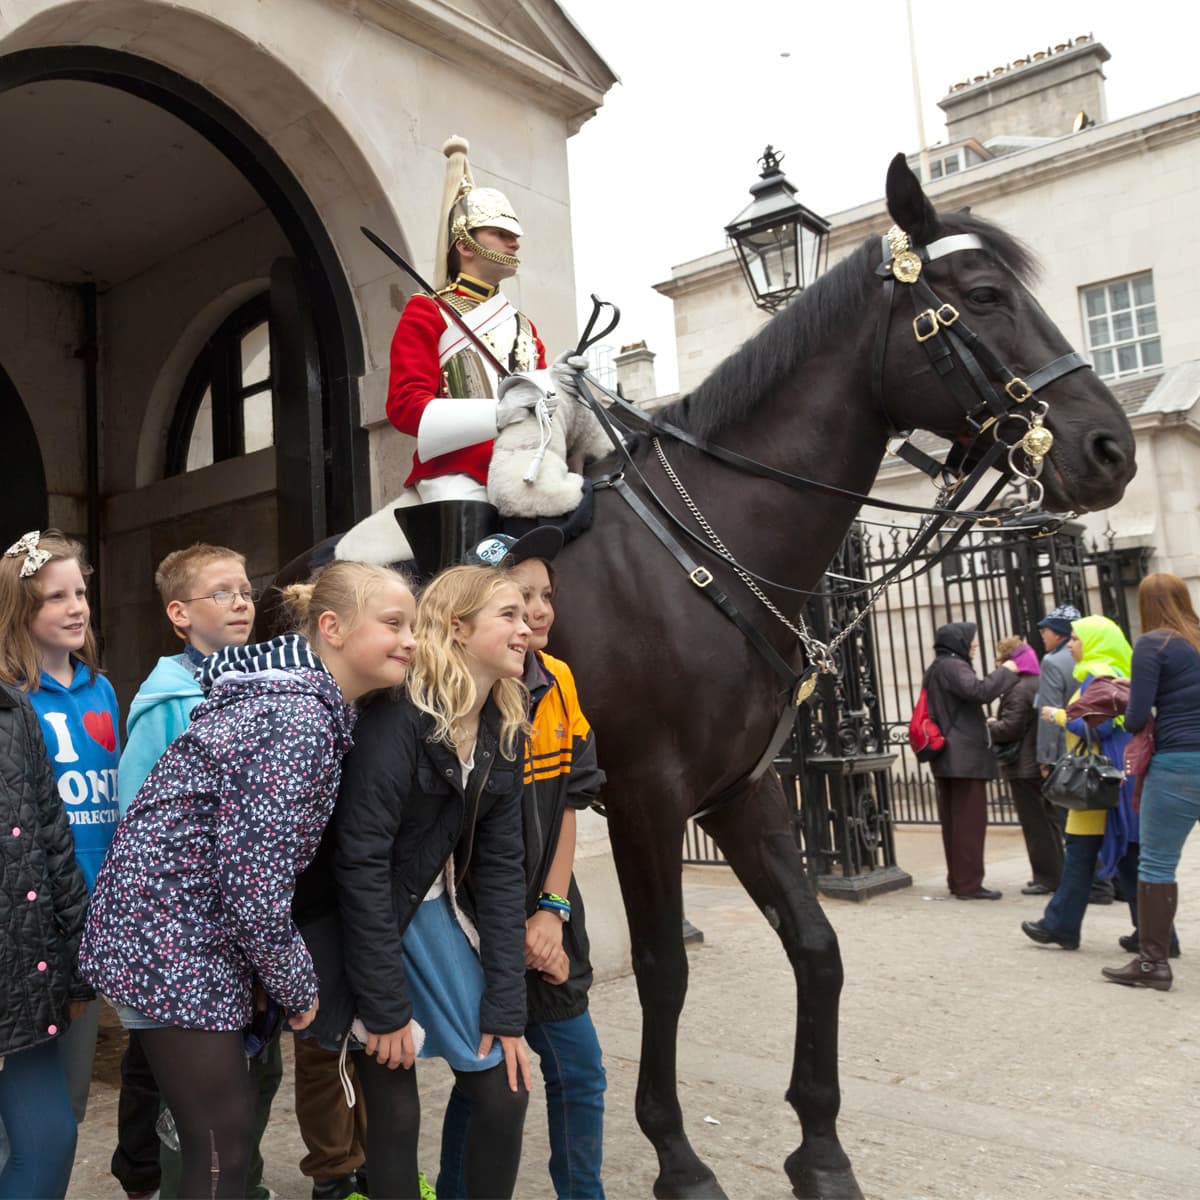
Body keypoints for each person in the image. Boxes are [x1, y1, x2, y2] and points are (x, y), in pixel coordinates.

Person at [78, 561, 416, 1200]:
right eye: (393, 624)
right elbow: (254, 884)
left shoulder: (306, 706)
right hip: (171, 937)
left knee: (222, 1144)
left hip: (182, 932)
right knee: (221, 1150)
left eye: (413, 627)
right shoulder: (296, 719)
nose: (411, 641)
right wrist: (296, 985)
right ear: (332, 628)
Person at [314, 565, 534, 1200]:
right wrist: (383, 1007)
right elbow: (359, 862)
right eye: (509, 615)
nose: (527, 629)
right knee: (394, 1114)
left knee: (504, 1090)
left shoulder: (501, 726)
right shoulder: (399, 715)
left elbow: (502, 871)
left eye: (526, 616)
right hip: (366, 926)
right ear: (458, 629)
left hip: (434, 917)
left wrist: (506, 1008)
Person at [110, 544, 280, 1200]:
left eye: (246, 591)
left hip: (253, 930)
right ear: (179, 614)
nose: (241, 603)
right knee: (201, 1111)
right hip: (195, 943)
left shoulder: (264, 686)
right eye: (222, 593)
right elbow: (145, 831)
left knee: (258, 1078)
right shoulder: (167, 705)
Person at [441, 530, 607, 1199]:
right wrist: (516, 931)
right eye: (517, 599)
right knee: (490, 1081)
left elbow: (570, 799)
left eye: (544, 596)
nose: (536, 612)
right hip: (482, 922)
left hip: (549, 915)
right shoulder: (464, 695)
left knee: (570, 1073)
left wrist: (553, 912)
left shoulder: (558, 679)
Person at [383, 135, 580, 571]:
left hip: (526, 469)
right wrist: (497, 413)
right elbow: (405, 407)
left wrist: (564, 387)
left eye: (515, 236)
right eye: (501, 234)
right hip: (458, 473)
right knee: (466, 578)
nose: (515, 243)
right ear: (466, 245)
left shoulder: (525, 328)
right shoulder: (427, 311)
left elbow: (543, 413)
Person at [0, 529, 120, 1126]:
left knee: (68, 1103)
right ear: (20, 608)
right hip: (33, 925)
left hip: (93, 923)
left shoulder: (103, 689)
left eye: (81, 593)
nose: (76, 608)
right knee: (24, 1109)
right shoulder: (9, 700)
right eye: (56, 597)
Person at [0, 680, 92, 1200]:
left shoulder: (13, 707)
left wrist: (76, 971)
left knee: (49, 1141)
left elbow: (55, 839)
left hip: (18, 983)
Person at [1102, 574, 1200, 990]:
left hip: (1179, 764)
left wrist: (1132, 695)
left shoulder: (1153, 644)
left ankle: (1152, 964)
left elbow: (1136, 718)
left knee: (1157, 862)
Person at [1022, 615, 1139, 951]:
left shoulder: (1095, 675)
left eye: (1076, 638)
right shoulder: (1116, 670)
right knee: (1108, 856)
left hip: (1096, 780)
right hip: (1111, 777)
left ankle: (1062, 926)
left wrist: (1059, 716)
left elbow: (1098, 727)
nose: (1070, 644)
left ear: (1094, 643)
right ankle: (1063, 925)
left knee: (1094, 856)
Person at [922, 621, 1019, 900]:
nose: (974, 644)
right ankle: (969, 884)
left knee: (955, 823)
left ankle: (959, 880)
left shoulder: (938, 667)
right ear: (958, 642)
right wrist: (1006, 671)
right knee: (969, 824)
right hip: (963, 758)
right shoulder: (954, 666)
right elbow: (979, 691)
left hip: (949, 757)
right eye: (970, 639)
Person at [988, 637, 1062, 895]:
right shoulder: (1037, 682)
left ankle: (1047, 878)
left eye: (1000, 660)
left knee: (1035, 825)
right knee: (1048, 822)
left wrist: (989, 725)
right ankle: (1054, 873)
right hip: (1035, 762)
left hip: (1023, 766)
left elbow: (1011, 728)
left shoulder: (1018, 689)